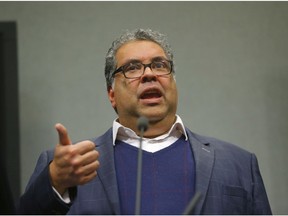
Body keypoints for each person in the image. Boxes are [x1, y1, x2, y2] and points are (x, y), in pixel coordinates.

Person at [16, 28, 272, 215]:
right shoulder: (67, 168)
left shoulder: (238, 164)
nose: (149, 74)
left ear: (174, 83)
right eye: (132, 68)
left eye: (160, 65)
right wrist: (55, 182)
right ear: (111, 93)